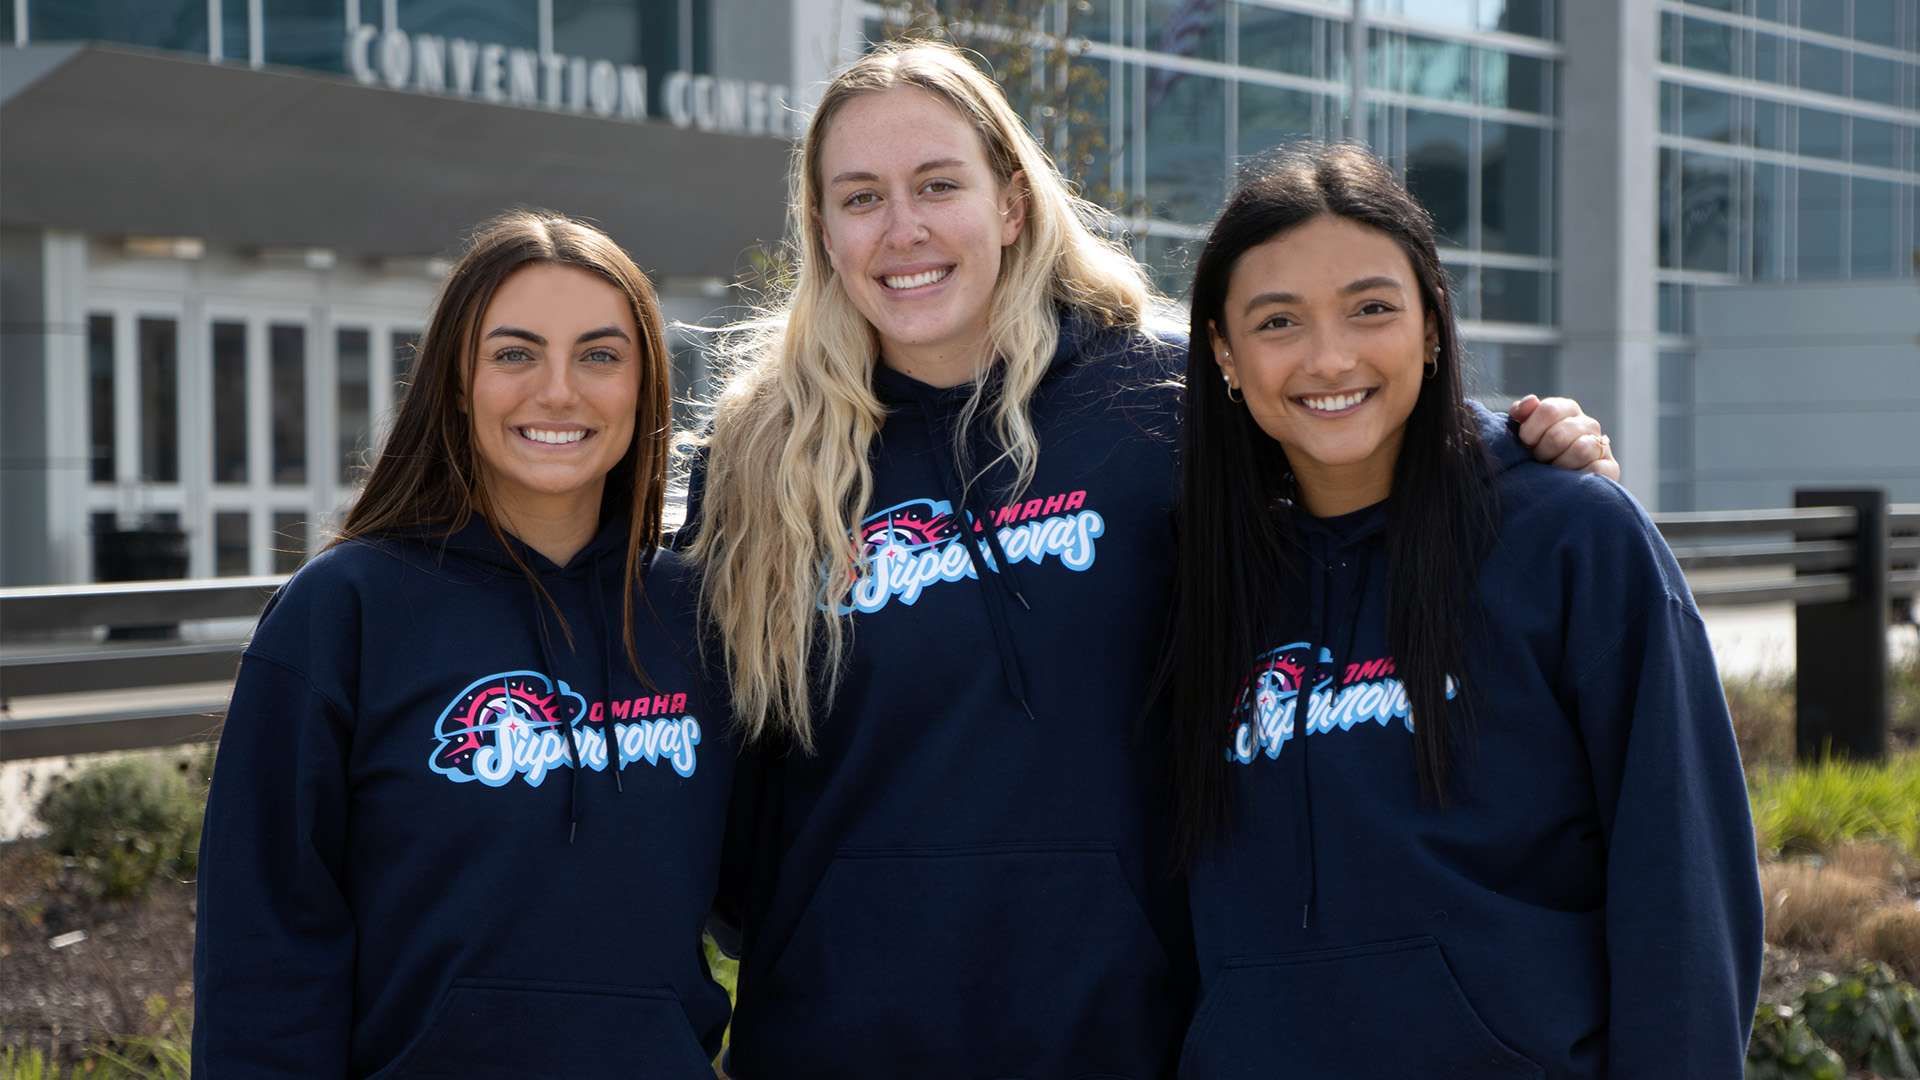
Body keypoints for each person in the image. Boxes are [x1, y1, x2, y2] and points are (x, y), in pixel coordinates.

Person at [687, 41, 1620, 1078]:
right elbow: (717, 773)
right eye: (860, 197)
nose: (903, 228)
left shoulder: (1157, 406)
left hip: (1128, 1033)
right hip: (837, 1039)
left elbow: (1344, 416)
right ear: (821, 228)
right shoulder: (760, 456)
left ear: (1010, 201)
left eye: (938, 185)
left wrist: (1518, 441)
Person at [1166, 144, 1762, 1079]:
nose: (1330, 357)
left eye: (1372, 308)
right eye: (1278, 321)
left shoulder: (1571, 540)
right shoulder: (1189, 572)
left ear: (1434, 326)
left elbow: (1681, 884)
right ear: (1224, 355)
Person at [193, 211, 730, 1078]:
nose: (558, 391)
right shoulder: (345, 613)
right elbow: (264, 949)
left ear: (646, 388)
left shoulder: (697, 617)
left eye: (599, 355)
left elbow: (772, 892)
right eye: (515, 354)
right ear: (456, 382)